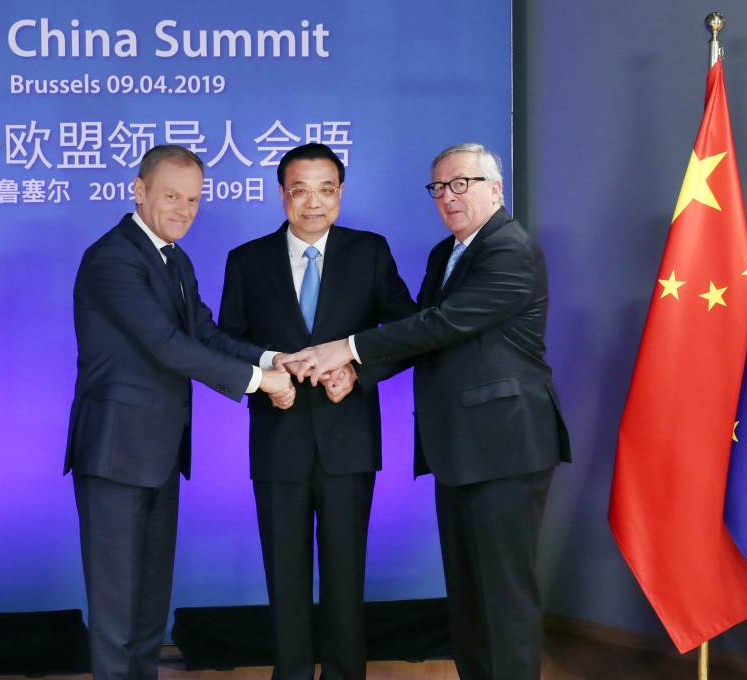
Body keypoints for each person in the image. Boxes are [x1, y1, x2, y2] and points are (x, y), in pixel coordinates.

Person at [280, 142, 571, 680]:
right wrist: (358, 374)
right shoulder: (447, 253)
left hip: (506, 447)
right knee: (468, 599)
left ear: (495, 189)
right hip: (459, 449)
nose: (449, 197)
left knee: (503, 601)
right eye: (439, 187)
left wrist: (347, 349)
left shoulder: (509, 248)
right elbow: (422, 338)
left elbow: (442, 324)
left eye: (462, 184)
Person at [64, 144, 295, 680]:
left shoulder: (175, 258)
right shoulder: (112, 258)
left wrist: (271, 358)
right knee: (116, 603)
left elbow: (204, 334)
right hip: (115, 452)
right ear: (139, 190)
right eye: (171, 196)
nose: (184, 210)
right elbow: (167, 345)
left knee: (150, 600)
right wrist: (260, 383)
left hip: (160, 452)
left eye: (193, 199)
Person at [218, 143, 416, 680]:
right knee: (284, 580)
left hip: (347, 441)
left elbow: (408, 331)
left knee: (345, 579)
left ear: (340, 194)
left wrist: (358, 371)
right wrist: (268, 376)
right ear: (282, 194)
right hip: (277, 439)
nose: (313, 202)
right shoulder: (247, 260)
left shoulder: (369, 252)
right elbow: (226, 342)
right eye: (300, 190)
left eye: (325, 190)